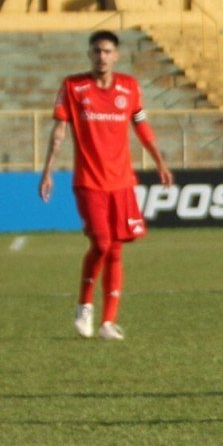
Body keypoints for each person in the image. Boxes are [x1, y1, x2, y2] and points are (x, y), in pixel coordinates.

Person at [39, 31, 175, 341]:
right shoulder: (74, 87)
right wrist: (47, 171)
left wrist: (160, 162)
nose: (102, 56)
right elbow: (59, 131)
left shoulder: (129, 87)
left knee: (115, 250)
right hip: (89, 181)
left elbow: (142, 126)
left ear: (116, 56)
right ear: (90, 54)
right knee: (101, 243)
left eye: (107, 51)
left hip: (122, 182)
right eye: (97, 51)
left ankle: (108, 322)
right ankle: (84, 305)